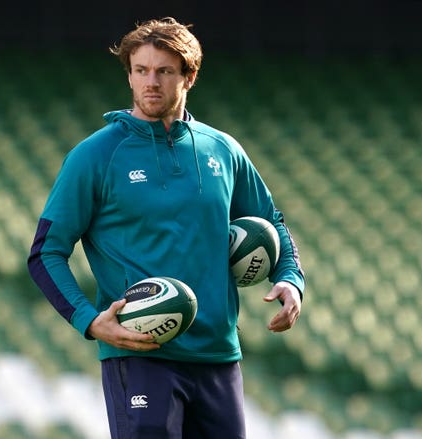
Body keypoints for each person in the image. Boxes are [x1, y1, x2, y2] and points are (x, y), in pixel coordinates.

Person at [28, 17, 305, 439]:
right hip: (141, 355)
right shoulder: (94, 156)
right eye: (140, 71)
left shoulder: (223, 150)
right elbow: (46, 252)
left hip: (218, 355)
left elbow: (273, 223)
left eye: (164, 71)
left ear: (189, 76)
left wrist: (289, 278)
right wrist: (87, 320)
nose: (150, 82)